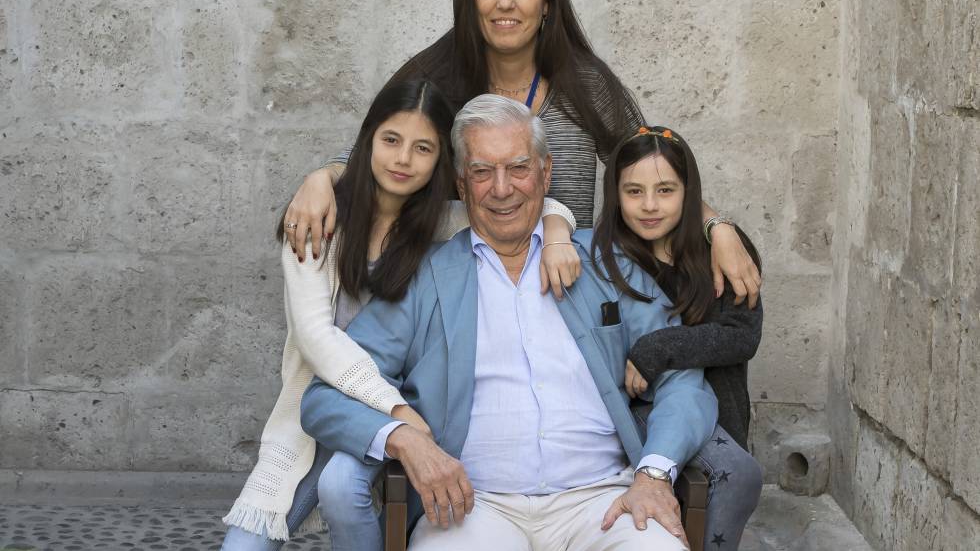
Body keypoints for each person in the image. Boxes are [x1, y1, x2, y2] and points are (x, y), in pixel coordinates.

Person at [301, 95, 718, 551]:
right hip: (471, 507)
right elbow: (328, 395)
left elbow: (682, 375)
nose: (502, 189)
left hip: (605, 500)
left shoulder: (606, 265)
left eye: (518, 168)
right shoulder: (424, 279)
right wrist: (404, 440)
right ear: (461, 183)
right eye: (482, 172)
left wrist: (655, 472)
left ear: (546, 173)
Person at [282, 0, 762, 306]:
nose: (505, 3)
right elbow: (382, 152)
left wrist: (715, 227)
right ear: (470, 0)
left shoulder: (587, 83)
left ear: (547, 1)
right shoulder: (435, 78)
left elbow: (652, 168)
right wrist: (321, 177)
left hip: (570, 292)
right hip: (464, 300)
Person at [220, 81, 576, 550]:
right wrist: (320, 177)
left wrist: (556, 235)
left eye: (423, 148)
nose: (403, 159)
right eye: (391, 140)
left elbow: (528, 203)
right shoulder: (316, 220)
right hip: (324, 409)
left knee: (341, 486)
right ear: (368, 139)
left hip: (414, 405)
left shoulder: (442, 221)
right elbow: (315, 338)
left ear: (440, 164)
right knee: (244, 544)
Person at [592, 125, 764, 549]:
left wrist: (658, 348)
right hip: (639, 407)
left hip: (716, 410)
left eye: (666, 190)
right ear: (615, 195)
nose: (649, 206)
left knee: (736, 475)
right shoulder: (605, 256)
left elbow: (741, 337)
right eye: (634, 192)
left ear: (689, 193)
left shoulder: (722, 250)